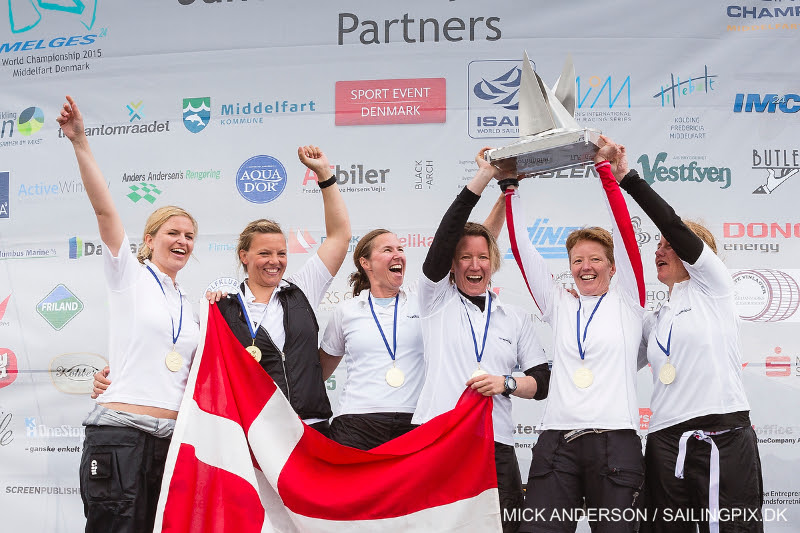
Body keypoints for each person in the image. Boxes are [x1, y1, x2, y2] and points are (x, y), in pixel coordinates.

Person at [95, 146, 352, 439]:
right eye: (264, 253)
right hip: (249, 433)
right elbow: (184, 359)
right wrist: (114, 372)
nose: (275, 261)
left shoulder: (301, 289)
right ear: (244, 256)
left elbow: (339, 236)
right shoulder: (220, 307)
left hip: (309, 426)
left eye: (281, 253)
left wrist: (324, 175)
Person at [59, 96, 202, 533]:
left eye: (190, 236)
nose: (182, 241)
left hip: (172, 442)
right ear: (150, 238)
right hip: (120, 436)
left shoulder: (191, 307)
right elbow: (105, 211)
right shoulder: (129, 275)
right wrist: (80, 142)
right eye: (173, 233)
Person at [613, 143, 763, 532]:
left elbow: (674, 225)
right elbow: (614, 361)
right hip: (664, 440)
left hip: (723, 435)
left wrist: (628, 180)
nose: (659, 250)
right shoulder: (656, 317)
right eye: (657, 245)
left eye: (669, 245)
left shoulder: (716, 288)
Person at [504, 136, 646, 533]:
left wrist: (605, 172)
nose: (586, 266)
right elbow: (523, 251)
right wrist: (510, 188)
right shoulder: (559, 304)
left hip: (615, 441)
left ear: (612, 267)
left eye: (595, 259)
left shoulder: (629, 300)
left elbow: (624, 231)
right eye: (577, 260)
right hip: (557, 443)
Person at [412, 148, 550, 533]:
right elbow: (445, 236)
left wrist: (505, 383)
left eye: (483, 257)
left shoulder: (515, 318)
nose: (475, 265)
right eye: (465, 258)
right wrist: (485, 177)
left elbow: (543, 382)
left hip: (496, 443)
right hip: (437, 438)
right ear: (452, 265)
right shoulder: (434, 299)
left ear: (494, 261)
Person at [318, 197, 507, 450]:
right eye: (387, 250)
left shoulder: (424, 298)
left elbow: (474, 246)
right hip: (356, 422)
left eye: (400, 249)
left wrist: (505, 196)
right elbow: (318, 373)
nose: (398, 255)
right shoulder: (346, 310)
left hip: (414, 421)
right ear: (365, 263)